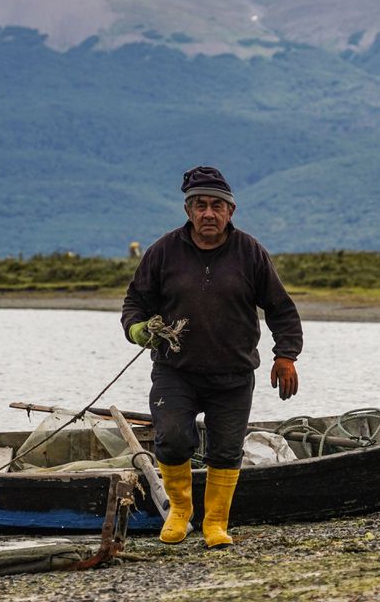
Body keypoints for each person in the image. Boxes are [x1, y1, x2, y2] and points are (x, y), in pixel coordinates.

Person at [121, 165, 303, 548]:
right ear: (188, 211)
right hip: (176, 371)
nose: (208, 213)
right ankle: (180, 513)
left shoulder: (251, 253)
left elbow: (281, 309)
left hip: (233, 375)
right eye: (200, 205)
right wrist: (137, 329)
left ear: (230, 212)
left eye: (216, 206)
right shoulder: (163, 252)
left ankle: (216, 523)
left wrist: (285, 355)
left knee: (225, 449)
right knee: (171, 438)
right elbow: (135, 303)